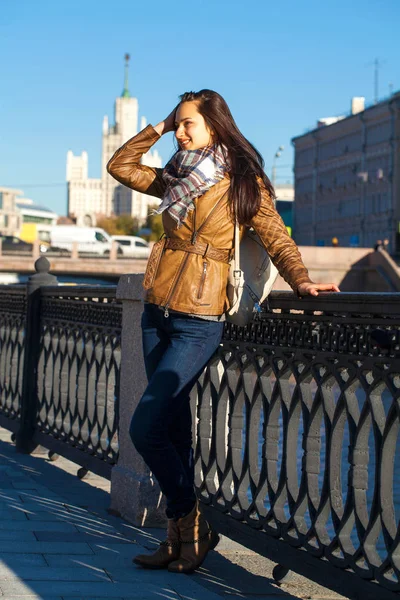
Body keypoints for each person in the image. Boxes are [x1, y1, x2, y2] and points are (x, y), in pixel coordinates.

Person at [107, 89, 340, 574]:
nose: (183, 131)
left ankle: (193, 525)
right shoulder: (174, 175)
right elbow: (121, 166)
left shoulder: (240, 181)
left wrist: (300, 281)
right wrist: (161, 125)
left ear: (215, 125)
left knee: (144, 427)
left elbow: (276, 233)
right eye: (180, 124)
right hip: (158, 311)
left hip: (200, 318)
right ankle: (179, 539)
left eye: (190, 123)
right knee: (170, 427)